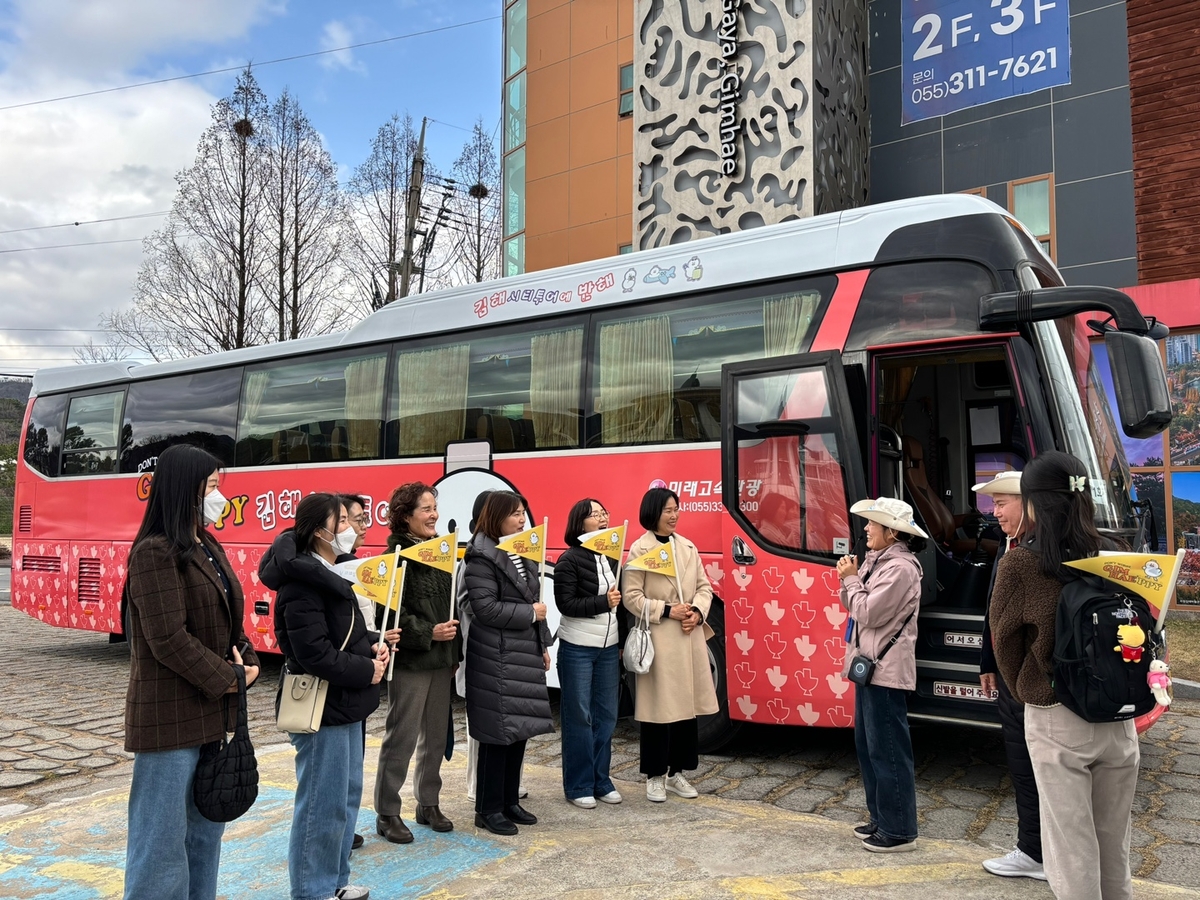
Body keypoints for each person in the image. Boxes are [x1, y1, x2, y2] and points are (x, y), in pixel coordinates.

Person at [990, 451, 1138, 900]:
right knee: (1114, 843)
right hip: (1119, 714)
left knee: (1070, 848)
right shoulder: (1116, 553)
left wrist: (1032, 690)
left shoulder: (1022, 563)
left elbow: (1004, 643)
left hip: (1058, 714)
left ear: (1033, 502)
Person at [122, 443, 261, 900]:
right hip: (169, 721)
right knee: (161, 848)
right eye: (214, 486)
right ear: (187, 489)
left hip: (211, 717)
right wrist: (229, 678)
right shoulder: (154, 553)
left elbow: (224, 619)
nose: (222, 496)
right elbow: (168, 639)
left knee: (204, 839)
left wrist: (247, 654)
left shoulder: (207, 543)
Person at [261, 493, 391, 900]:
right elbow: (314, 654)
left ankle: (336, 880)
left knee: (345, 799)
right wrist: (367, 670)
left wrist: (374, 644)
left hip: (345, 702)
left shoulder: (332, 573)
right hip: (321, 704)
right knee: (321, 802)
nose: (354, 528)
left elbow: (345, 632)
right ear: (320, 532)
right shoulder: (303, 583)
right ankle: (312, 890)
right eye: (345, 521)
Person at [461, 490, 554, 835]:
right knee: (497, 735)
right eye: (515, 513)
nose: (521, 519)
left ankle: (509, 800)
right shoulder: (481, 558)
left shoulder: (521, 551)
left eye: (523, 513)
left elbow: (536, 599)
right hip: (495, 656)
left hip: (522, 651)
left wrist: (542, 642)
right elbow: (484, 609)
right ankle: (487, 808)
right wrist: (530, 614)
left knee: (519, 730)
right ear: (496, 517)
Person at [836, 496, 925, 853]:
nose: (866, 529)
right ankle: (881, 819)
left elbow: (868, 613)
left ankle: (899, 830)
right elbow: (853, 606)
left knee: (888, 750)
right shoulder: (880, 561)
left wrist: (852, 580)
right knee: (869, 746)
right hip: (871, 667)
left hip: (885, 671)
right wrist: (852, 580)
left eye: (873, 523)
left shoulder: (901, 568)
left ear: (892, 532)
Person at [374, 482, 462, 842]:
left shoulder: (439, 551)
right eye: (425, 509)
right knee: (403, 735)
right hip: (411, 660)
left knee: (436, 736)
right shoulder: (395, 557)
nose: (434, 515)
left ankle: (428, 802)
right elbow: (388, 613)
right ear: (405, 516)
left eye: (434, 508)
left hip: (443, 659)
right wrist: (429, 632)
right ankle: (387, 811)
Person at [622, 487, 717, 803]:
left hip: (688, 638)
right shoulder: (640, 550)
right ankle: (654, 775)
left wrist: (697, 612)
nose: (674, 515)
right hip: (660, 640)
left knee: (686, 711)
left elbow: (705, 588)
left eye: (676, 509)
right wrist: (666, 610)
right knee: (658, 711)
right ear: (653, 513)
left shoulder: (688, 547)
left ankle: (677, 772)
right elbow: (632, 597)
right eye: (668, 510)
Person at [972, 471, 1045, 882]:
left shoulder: (1040, 553)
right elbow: (993, 615)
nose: (994, 512)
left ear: (1029, 503)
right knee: (1022, 767)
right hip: (1009, 674)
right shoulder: (1009, 546)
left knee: (1039, 769)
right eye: (994, 503)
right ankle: (1033, 849)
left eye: (1002, 503)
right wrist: (988, 661)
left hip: (1032, 680)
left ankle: (1042, 853)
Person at [554, 498, 623, 808]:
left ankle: (601, 779)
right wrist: (602, 602)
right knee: (579, 717)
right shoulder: (569, 559)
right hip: (578, 649)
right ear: (580, 523)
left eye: (604, 513)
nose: (602, 519)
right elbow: (565, 605)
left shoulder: (612, 557)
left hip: (608, 649)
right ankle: (578, 784)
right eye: (595, 515)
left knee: (606, 716)